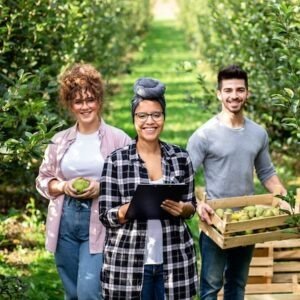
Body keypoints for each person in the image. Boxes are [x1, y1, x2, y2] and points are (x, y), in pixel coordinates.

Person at [187, 64, 288, 300]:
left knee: (237, 284)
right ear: (219, 93)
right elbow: (185, 176)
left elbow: (266, 172)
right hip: (216, 220)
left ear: (247, 93)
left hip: (246, 221)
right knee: (211, 286)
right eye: (229, 90)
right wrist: (197, 203)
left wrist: (284, 197)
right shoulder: (204, 135)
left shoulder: (258, 133)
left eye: (240, 90)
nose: (234, 96)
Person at [36, 63, 131, 300]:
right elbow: (43, 179)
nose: (85, 106)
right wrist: (63, 186)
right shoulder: (59, 141)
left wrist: (102, 187)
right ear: (70, 105)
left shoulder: (118, 139)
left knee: (89, 292)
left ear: (99, 100)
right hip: (64, 219)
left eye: (90, 99)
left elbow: (134, 181)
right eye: (78, 101)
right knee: (73, 293)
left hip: (98, 221)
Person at [99, 77, 198, 299]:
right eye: (142, 115)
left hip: (174, 262)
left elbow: (192, 205)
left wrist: (184, 209)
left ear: (164, 117)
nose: (149, 121)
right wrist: (127, 210)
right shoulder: (116, 161)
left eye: (156, 115)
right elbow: (106, 216)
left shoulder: (180, 157)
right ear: (134, 118)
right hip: (129, 264)